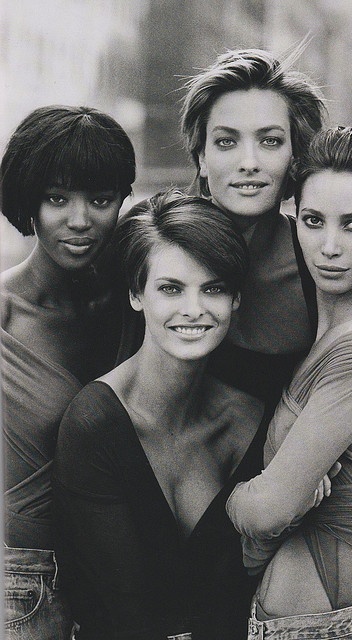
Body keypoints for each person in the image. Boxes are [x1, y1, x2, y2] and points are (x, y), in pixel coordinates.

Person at [226, 127, 352, 639]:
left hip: (329, 628)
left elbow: (267, 512)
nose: (330, 247)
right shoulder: (326, 333)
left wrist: (238, 501)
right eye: (314, 221)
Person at [53, 189, 270, 640]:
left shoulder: (252, 416)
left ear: (236, 299)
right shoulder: (95, 423)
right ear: (137, 293)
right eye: (171, 288)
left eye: (213, 288)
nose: (193, 310)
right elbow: (124, 609)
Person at [1, 105, 136, 639]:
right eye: (58, 198)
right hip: (29, 587)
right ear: (28, 203)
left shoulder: (137, 300)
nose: (80, 221)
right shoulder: (5, 315)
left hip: (127, 575)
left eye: (100, 200)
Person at [179, 46, 326, 404]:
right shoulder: (158, 246)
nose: (249, 162)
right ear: (202, 157)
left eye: (270, 141)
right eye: (226, 141)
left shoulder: (320, 261)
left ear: (295, 156)